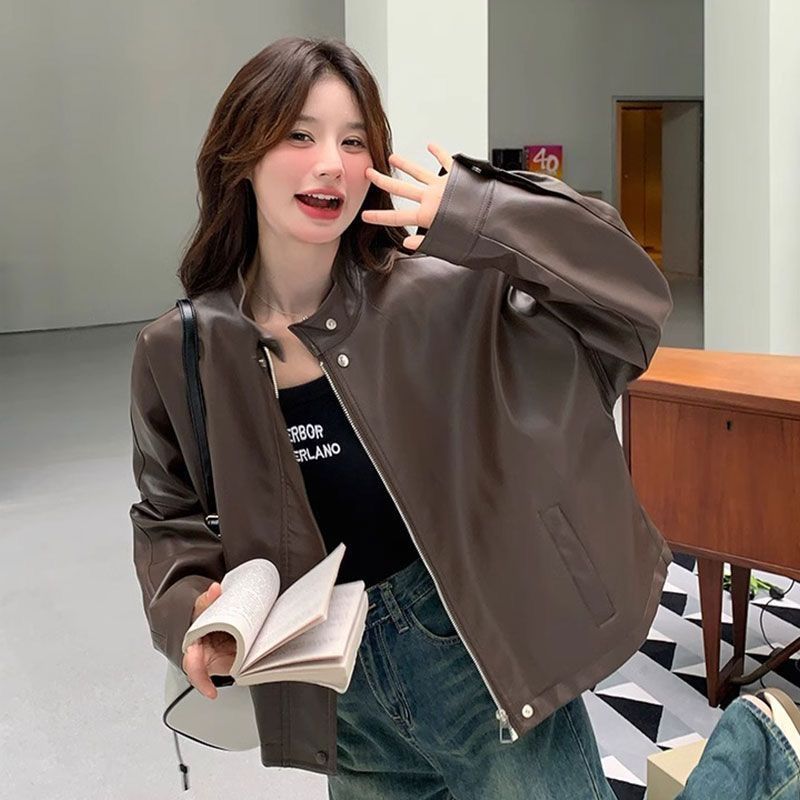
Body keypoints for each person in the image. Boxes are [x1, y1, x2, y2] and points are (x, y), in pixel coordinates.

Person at [129, 36, 800, 798]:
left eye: (353, 141)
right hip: (335, 693)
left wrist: (482, 212)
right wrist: (187, 609)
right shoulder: (182, 349)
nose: (331, 165)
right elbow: (166, 513)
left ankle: (750, 745)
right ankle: (754, 748)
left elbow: (633, 303)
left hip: (475, 660)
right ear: (242, 154)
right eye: (299, 135)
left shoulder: (442, 294)